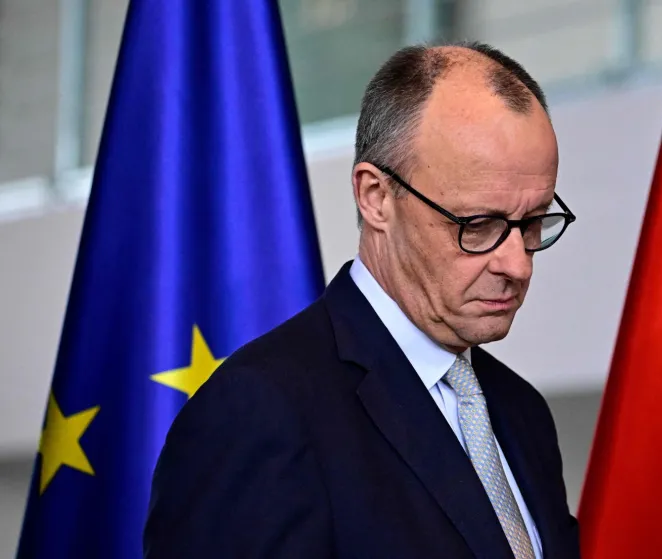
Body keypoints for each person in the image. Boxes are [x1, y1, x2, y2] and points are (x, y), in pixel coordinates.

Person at [144, 41, 579, 559]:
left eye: (531, 224)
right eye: (477, 225)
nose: (518, 264)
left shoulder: (521, 410)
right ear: (376, 197)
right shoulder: (261, 411)